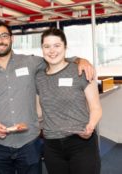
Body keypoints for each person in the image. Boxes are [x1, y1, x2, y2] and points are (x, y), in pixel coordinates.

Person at [0, 20, 94, 174]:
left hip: (29, 143)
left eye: (4, 36)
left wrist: (80, 60)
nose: (0, 41)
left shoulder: (30, 62)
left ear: (11, 38)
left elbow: (55, 58)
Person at [35, 28, 102, 174]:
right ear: (42, 49)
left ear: (65, 47)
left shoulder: (82, 71)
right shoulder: (38, 77)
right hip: (51, 145)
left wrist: (90, 127)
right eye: (47, 46)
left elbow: (96, 108)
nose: (52, 51)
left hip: (80, 141)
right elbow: (39, 111)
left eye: (57, 45)